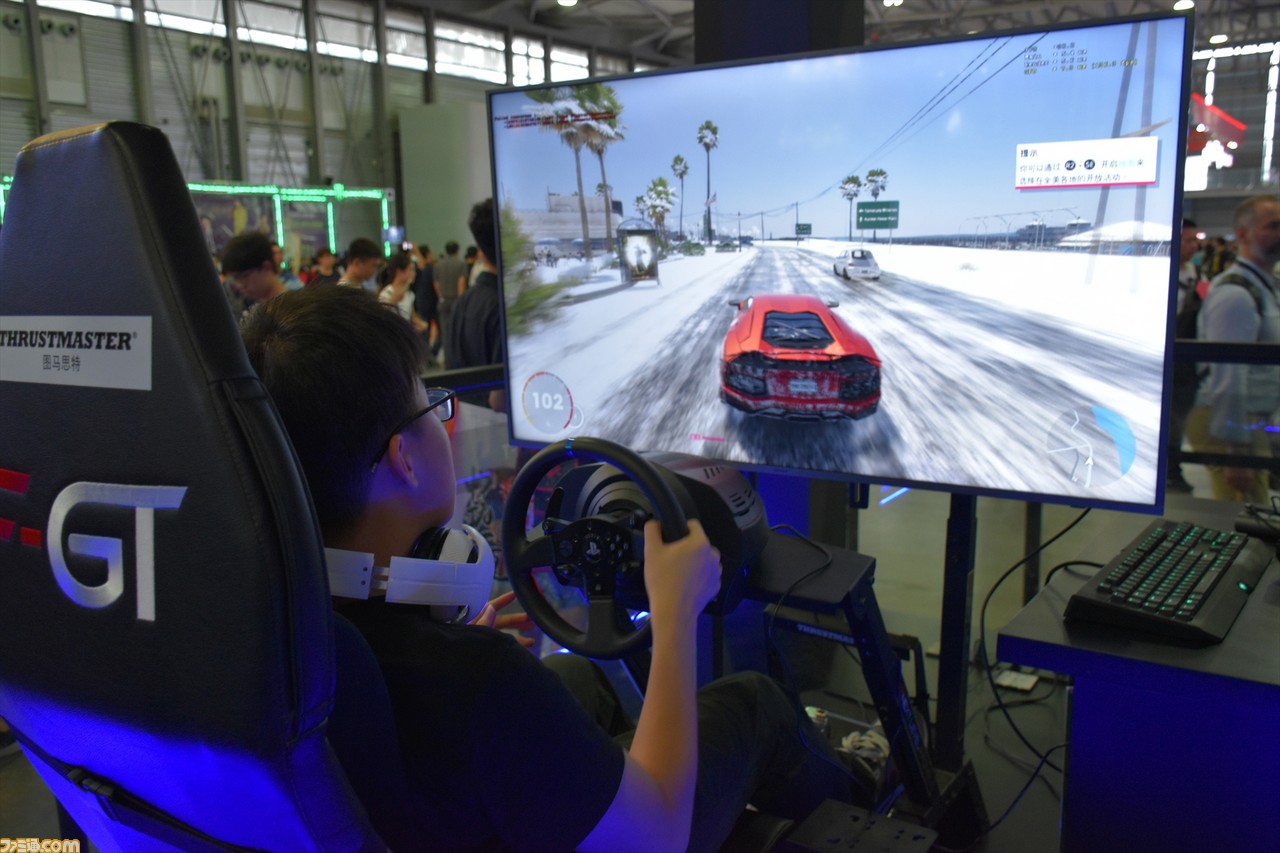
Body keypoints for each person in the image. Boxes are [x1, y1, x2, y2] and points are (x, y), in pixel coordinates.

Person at [240, 285, 858, 853]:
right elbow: (656, 840)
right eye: (430, 407)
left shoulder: (278, 634)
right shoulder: (478, 681)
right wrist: (675, 615)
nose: (441, 424)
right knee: (755, 704)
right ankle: (866, 797)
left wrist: (444, 645)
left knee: (573, 675)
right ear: (403, 456)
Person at [1186, 195, 1280, 503]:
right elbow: (1228, 375)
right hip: (1229, 424)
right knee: (1243, 516)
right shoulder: (1236, 294)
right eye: (1273, 226)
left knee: (1254, 512)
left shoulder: (1264, 286)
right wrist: (1235, 453)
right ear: (1243, 234)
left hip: (1250, 421)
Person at [447, 199, 504, 410]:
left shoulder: (463, 302)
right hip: (501, 423)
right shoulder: (505, 308)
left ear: (480, 251)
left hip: (466, 416)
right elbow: (499, 400)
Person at [1168, 218, 1207, 493]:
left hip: (1187, 363)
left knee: (1179, 419)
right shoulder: (1164, 273)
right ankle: (1170, 469)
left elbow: (1208, 300)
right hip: (1169, 359)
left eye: (1195, 240)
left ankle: (1174, 467)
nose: (1193, 246)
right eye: (1188, 240)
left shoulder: (1197, 274)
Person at [221, 231, 287, 307]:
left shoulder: (291, 309)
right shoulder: (255, 306)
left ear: (266, 267)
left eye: (244, 276)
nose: (239, 285)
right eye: (236, 278)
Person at [378, 250, 428, 334]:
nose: (414, 273)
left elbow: (411, 316)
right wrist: (394, 300)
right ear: (399, 271)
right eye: (411, 269)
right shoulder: (386, 293)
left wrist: (421, 324)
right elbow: (381, 318)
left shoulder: (409, 293)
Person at [434, 240, 468, 358]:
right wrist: (461, 300)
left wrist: (440, 297)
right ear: (457, 251)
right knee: (458, 331)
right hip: (455, 300)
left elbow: (436, 283)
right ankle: (458, 357)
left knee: (445, 332)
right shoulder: (461, 264)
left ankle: (448, 359)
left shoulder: (438, 264)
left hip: (443, 300)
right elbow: (461, 282)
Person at [412, 243, 440, 358]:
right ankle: (428, 354)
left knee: (426, 330)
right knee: (429, 330)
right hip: (430, 303)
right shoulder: (429, 269)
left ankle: (426, 354)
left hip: (421, 302)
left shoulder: (418, 270)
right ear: (428, 254)